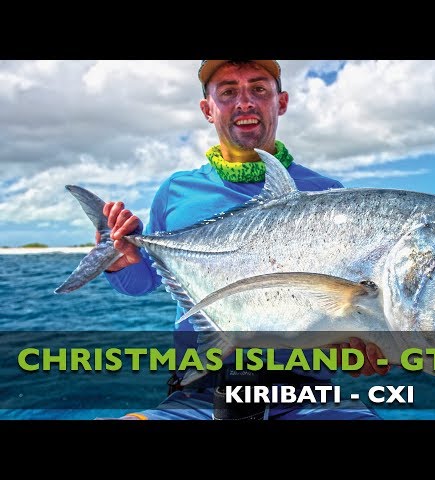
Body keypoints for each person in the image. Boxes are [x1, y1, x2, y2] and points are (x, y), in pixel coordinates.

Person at [100, 60, 390, 420]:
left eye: (258, 89)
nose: (245, 102)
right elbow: (142, 283)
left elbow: (348, 306)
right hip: (200, 393)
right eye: (228, 92)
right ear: (208, 109)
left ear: (280, 102)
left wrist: (362, 344)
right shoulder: (176, 190)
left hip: (308, 397)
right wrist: (119, 261)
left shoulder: (328, 194)